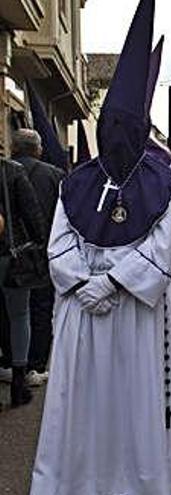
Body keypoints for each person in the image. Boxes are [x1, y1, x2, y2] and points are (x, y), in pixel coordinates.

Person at [30, 2, 171, 493]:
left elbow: (164, 251)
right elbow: (57, 243)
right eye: (111, 126)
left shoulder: (165, 183)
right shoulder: (76, 182)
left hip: (134, 315)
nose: (118, 135)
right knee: (81, 403)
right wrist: (85, 284)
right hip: (85, 311)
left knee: (135, 401)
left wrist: (107, 283)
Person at [10, 129, 63, 385]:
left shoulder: (4, 170)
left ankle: (10, 361)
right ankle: (34, 366)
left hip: (7, 252)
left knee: (9, 311)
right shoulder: (54, 175)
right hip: (41, 253)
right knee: (41, 309)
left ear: (13, 147)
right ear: (38, 149)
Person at [0, 147, 46, 407]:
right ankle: (19, 382)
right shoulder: (12, 171)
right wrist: (39, 245)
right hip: (11, 255)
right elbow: (33, 216)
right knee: (19, 316)